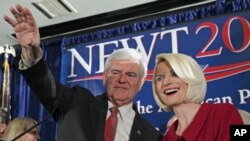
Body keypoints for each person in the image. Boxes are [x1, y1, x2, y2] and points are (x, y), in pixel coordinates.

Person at [3, 4, 162, 141]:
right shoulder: (76, 102)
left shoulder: (151, 135)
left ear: (141, 82)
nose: (122, 79)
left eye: (131, 75)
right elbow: (45, 86)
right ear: (104, 77)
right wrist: (32, 51)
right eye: (115, 72)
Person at [152, 53, 243, 141]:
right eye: (160, 78)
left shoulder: (226, 113)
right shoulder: (167, 137)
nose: (165, 82)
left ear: (191, 76)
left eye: (175, 74)